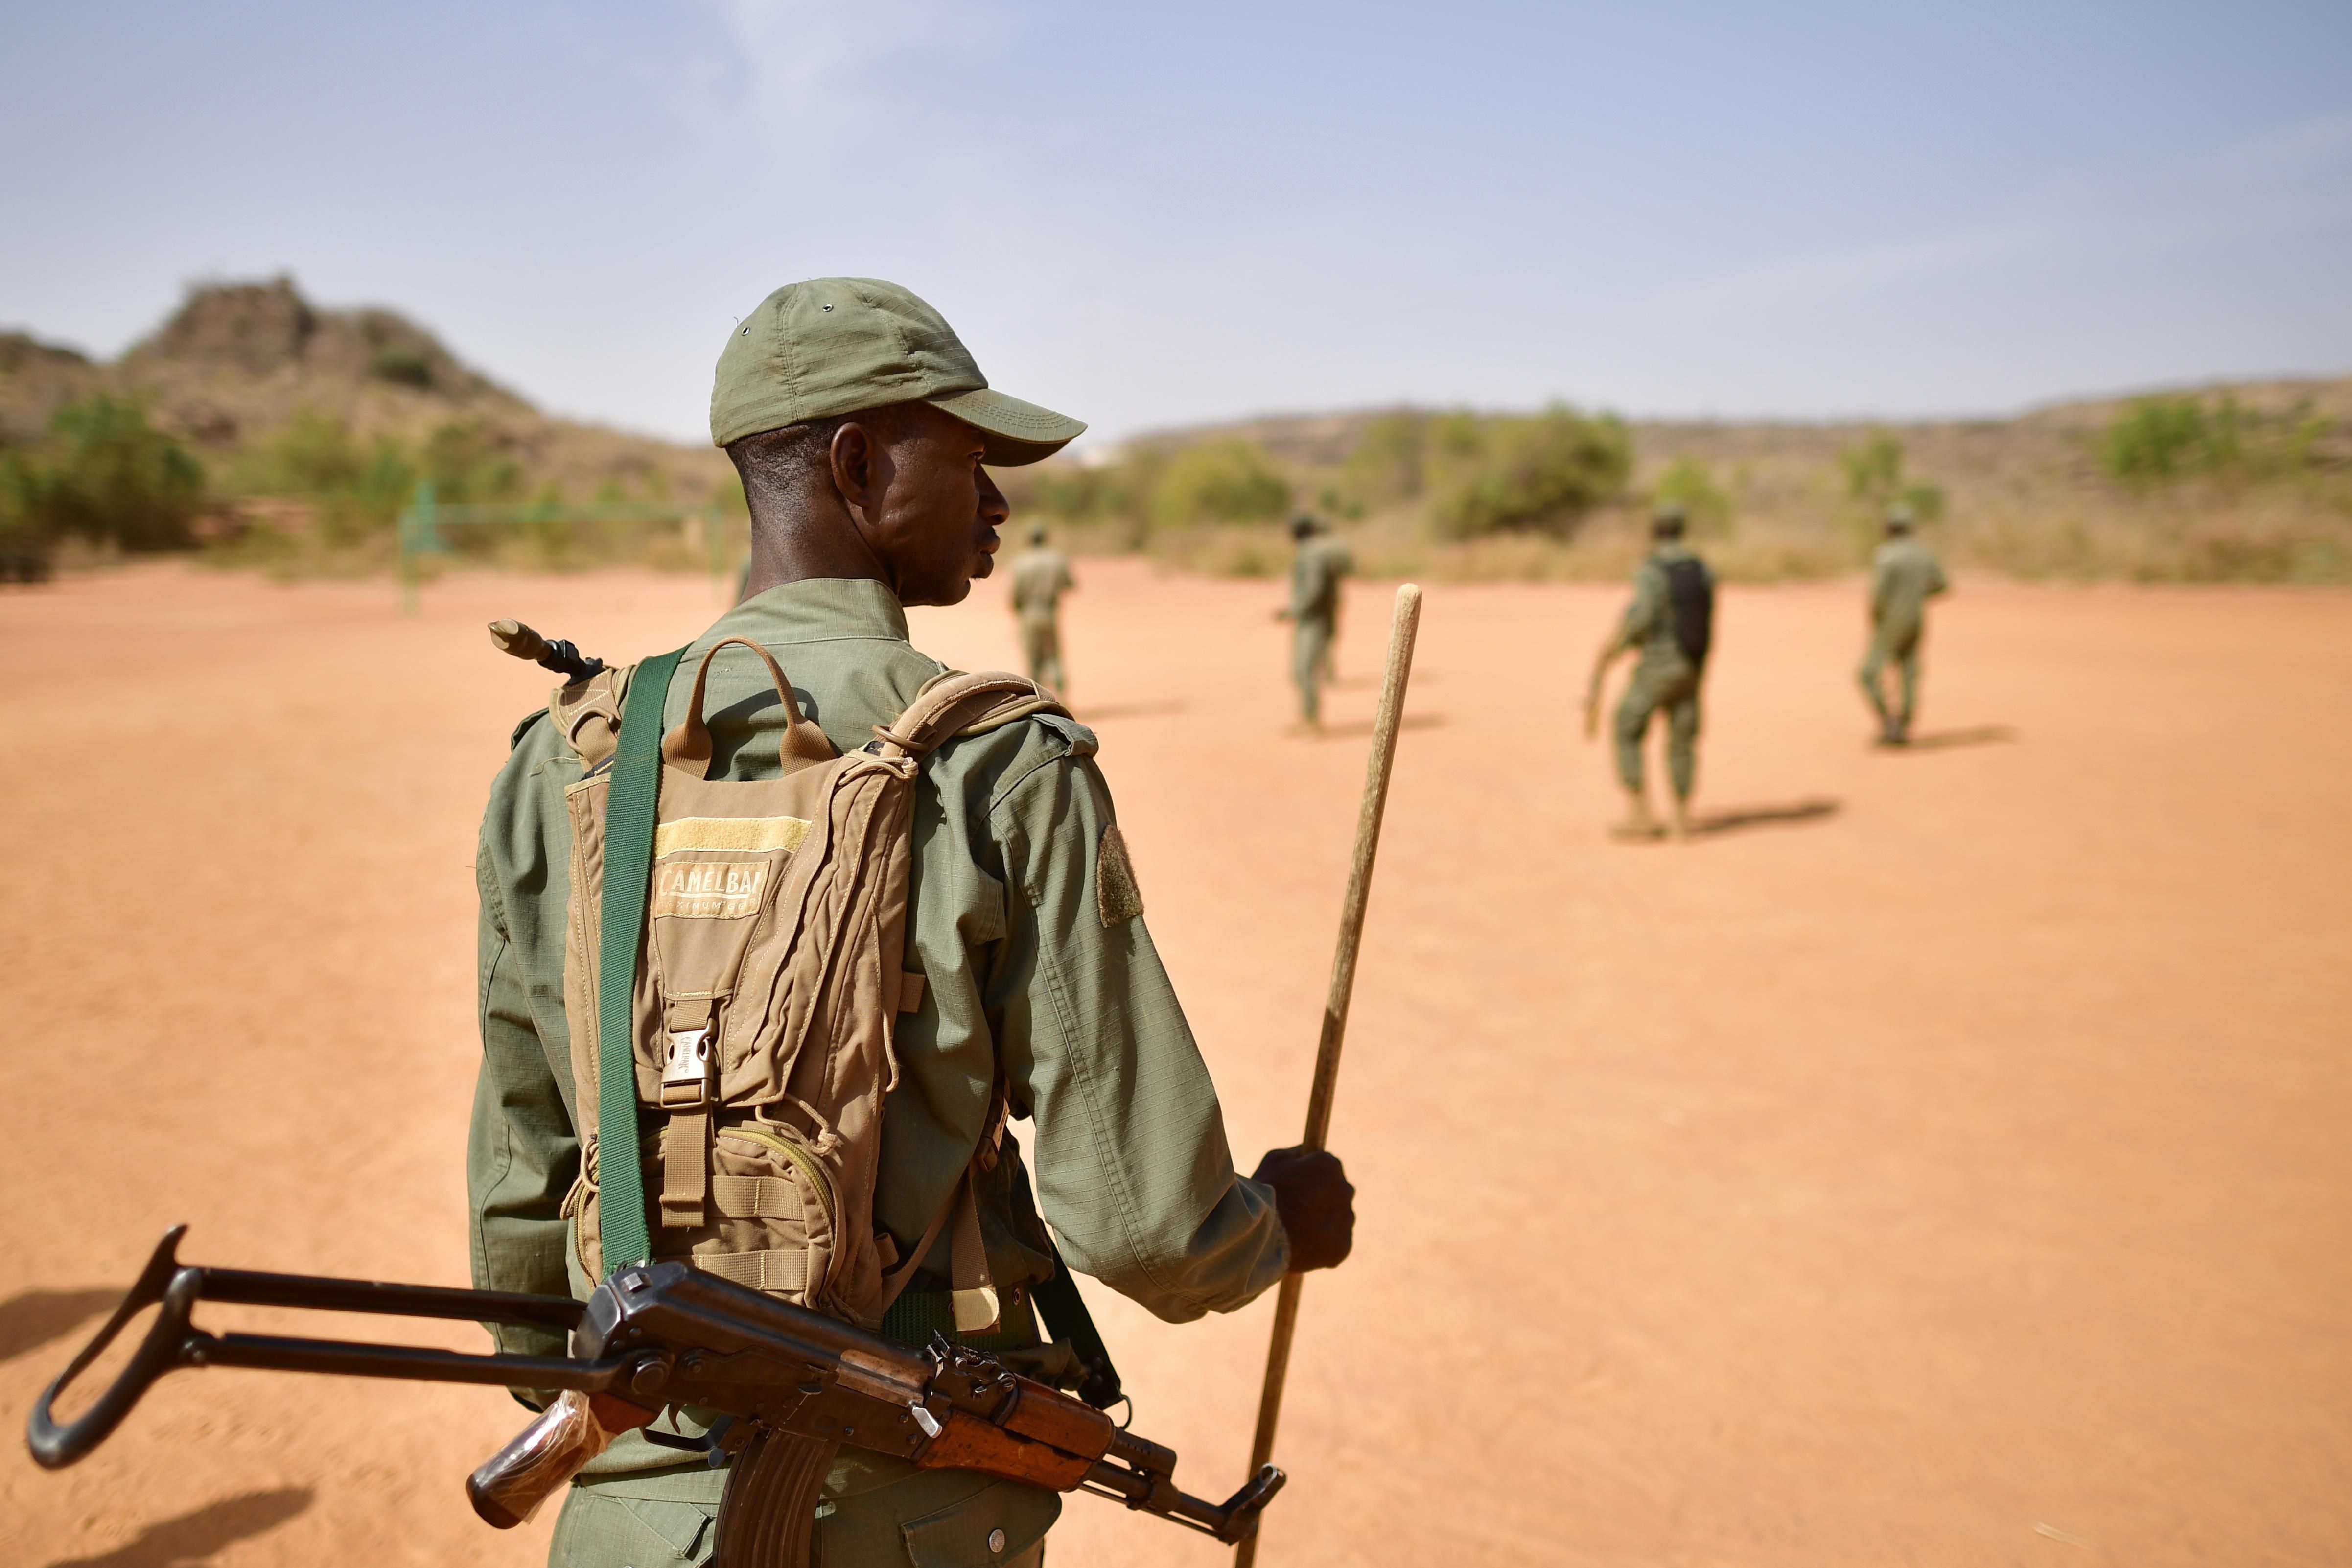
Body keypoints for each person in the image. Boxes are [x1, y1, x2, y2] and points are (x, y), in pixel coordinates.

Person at [468, 278, 1357, 1568]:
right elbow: (1148, 1224)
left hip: (631, 1521)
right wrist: (1274, 1222)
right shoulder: (1000, 759)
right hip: (912, 1518)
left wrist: (617, 1400)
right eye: (969, 458)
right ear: (856, 464)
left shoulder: (562, 761)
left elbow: (521, 1183)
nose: (997, 500)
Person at [1583, 502, 1714, 841]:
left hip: (1658, 667)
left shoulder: (1651, 570)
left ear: (1655, 529)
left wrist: (1616, 647)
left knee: (1626, 726)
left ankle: (1640, 813)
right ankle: (1681, 818)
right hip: (1692, 667)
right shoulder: (1702, 569)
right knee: (1682, 741)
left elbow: (1641, 616)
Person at [1858, 504, 1950, 745]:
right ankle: (1905, 724)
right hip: (1916, 619)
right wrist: (1917, 594)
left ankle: (1890, 724)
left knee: (1868, 673)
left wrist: (1877, 620)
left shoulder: (1886, 555)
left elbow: (1879, 596)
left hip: (1892, 620)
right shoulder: (1923, 554)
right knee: (1909, 670)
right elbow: (1942, 584)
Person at [1274, 514, 1349, 730]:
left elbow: (1314, 591)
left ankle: (1312, 719)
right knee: (1301, 670)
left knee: (1305, 670)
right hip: (1310, 619)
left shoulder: (1313, 554)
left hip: (1314, 620)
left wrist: (1293, 610)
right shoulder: (1314, 552)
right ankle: (1307, 716)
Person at [1007, 521, 1074, 692]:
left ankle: (1037, 696)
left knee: (1033, 658)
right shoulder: (1056, 559)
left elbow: (1015, 594)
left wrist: (1018, 611)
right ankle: (1062, 695)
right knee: (1053, 656)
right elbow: (1069, 584)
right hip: (1049, 612)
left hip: (1029, 614)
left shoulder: (1021, 561)